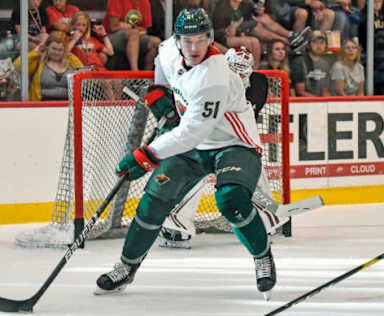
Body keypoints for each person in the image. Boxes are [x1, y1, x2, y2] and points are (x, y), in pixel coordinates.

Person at [95, 8, 276, 300]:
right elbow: (162, 69)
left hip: (232, 144)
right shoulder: (168, 49)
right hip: (192, 146)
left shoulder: (215, 76)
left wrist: (146, 155)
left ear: (210, 39)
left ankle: (262, 256)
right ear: (177, 39)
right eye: (187, 40)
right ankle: (126, 267)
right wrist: (158, 93)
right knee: (154, 200)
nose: (193, 48)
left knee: (231, 200)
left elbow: (192, 133)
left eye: (200, 40)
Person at [158, 47, 288, 249]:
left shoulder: (258, 83)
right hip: (210, 139)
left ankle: (266, 217)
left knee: (249, 172)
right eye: (234, 69)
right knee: (195, 171)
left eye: (243, 70)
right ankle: (177, 224)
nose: (238, 74)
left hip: (235, 140)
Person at [13, 31, 83, 101]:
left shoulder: (72, 61)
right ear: (47, 47)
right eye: (54, 49)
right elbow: (17, 66)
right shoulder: (37, 61)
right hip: (41, 106)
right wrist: (35, 52)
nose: (56, 52)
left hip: (68, 106)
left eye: (60, 50)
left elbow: (85, 76)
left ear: (65, 50)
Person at [102, 0, 161, 71]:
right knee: (133, 33)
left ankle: (145, 77)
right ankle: (135, 72)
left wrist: (129, 28)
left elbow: (144, 30)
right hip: (109, 37)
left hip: (134, 36)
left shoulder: (145, 2)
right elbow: (114, 27)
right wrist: (134, 30)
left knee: (156, 42)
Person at [290, 30, 331, 96]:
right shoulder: (299, 62)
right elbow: (300, 91)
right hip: (304, 103)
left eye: (322, 42)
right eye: (315, 42)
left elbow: (325, 91)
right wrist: (318, 101)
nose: (319, 45)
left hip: (319, 102)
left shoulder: (325, 64)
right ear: (308, 45)